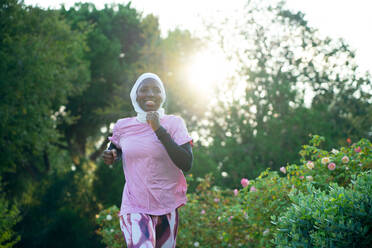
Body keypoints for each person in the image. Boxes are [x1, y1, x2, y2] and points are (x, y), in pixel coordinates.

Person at [102, 72, 193, 248]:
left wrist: (158, 129)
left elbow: (186, 163)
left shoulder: (175, 123)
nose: (150, 94)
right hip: (135, 205)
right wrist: (110, 154)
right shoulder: (123, 126)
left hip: (167, 206)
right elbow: (115, 149)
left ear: (163, 96)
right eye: (144, 90)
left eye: (156, 90)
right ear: (135, 95)